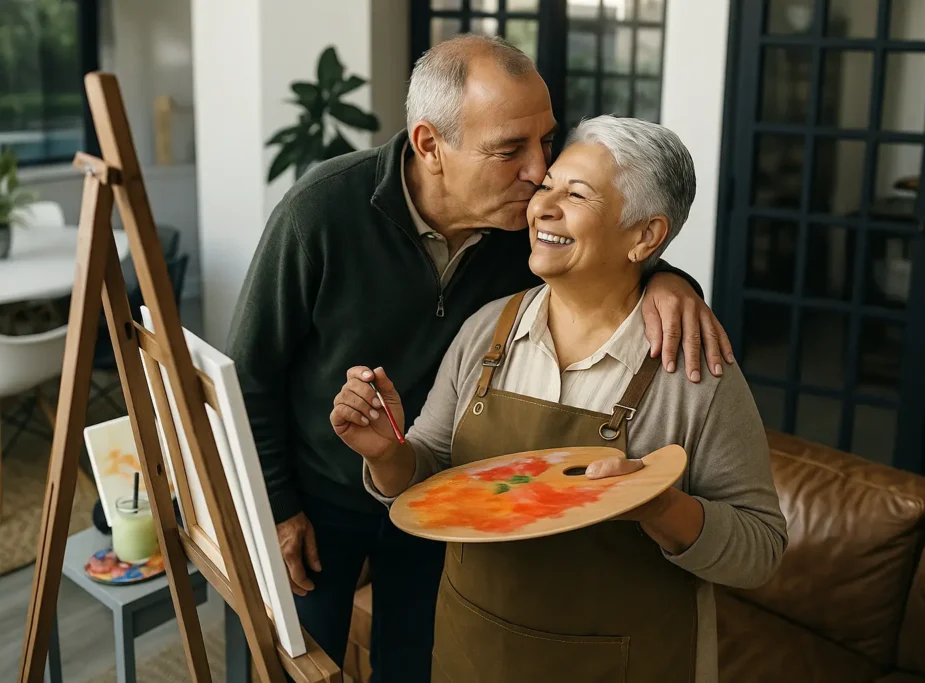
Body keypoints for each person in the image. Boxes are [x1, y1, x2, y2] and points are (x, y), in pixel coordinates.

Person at [227, 36, 734, 681]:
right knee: (292, 665)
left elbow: (610, 245)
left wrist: (670, 281)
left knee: (415, 666)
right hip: (318, 497)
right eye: (509, 150)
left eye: (545, 141)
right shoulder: (321, 210)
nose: (538, 171)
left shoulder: (523, 224)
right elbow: (251, 375)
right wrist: (275, 507)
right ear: (430, 146)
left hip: (444, 500)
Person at [333, 115, 787, 683]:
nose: (541, 207)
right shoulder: (485, 331)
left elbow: (761, 549)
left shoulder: (693, 374)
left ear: (645, 236)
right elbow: (428, 476)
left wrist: (659, 507)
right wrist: (387, 453)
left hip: (624, 664)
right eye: (547, 186)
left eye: (576, 195)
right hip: (472, 649)